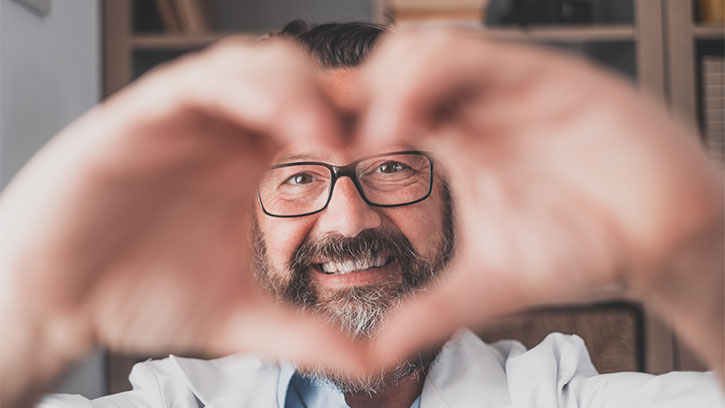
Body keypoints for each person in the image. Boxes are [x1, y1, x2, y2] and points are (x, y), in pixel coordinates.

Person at [0, 21, 722, 408]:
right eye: (297, 176)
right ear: (246, 213)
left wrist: (699, 252)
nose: (348, 222)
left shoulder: (558, 396)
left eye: (392, 167)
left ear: (452, 194)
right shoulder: (177, 402)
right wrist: (30, 315)